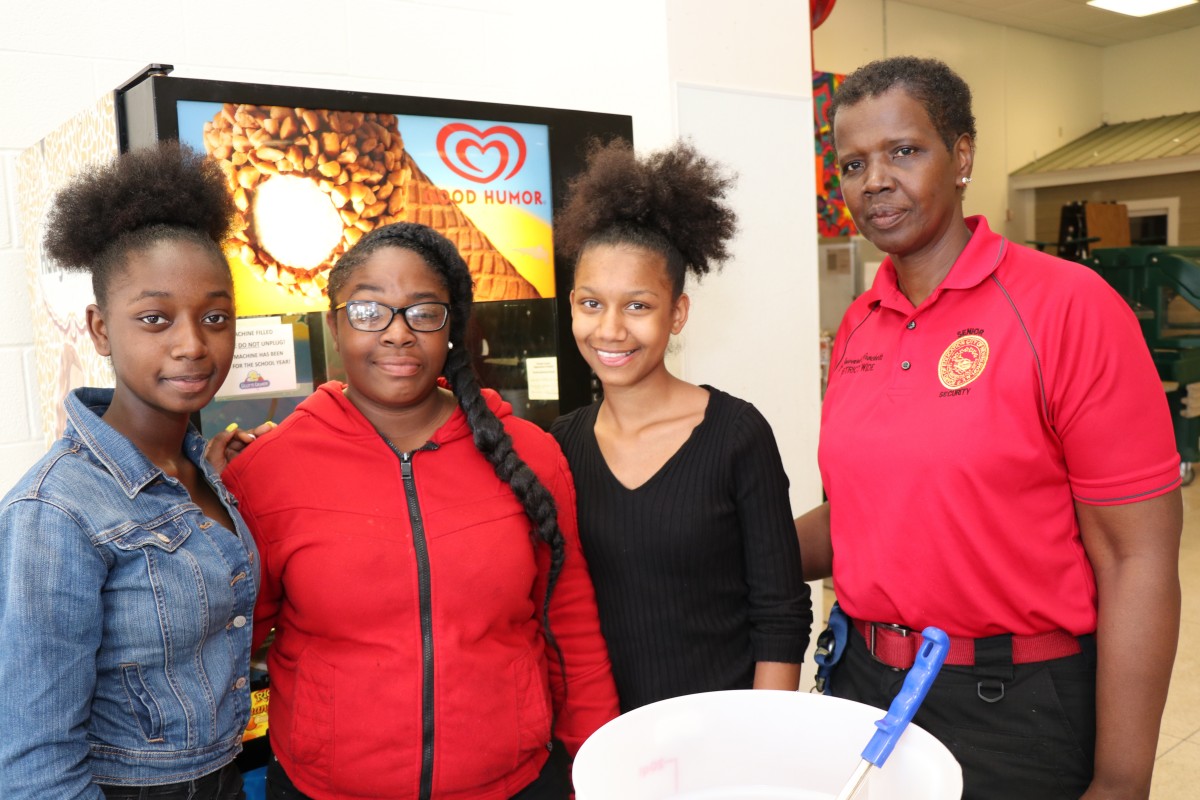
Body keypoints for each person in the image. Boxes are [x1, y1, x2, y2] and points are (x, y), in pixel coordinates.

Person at [796, 56, 1182, 800]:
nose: (875, 179)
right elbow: (870, 513)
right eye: (852, 163)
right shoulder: (858, 325)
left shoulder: (1068, 308)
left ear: (962, 155)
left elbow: (1138, 559)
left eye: (903, 151)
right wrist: (741, 547)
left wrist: (1122, 779)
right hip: (863, 686)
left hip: (1012, 704)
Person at [220, 221, 620, 800]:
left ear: (451, 326)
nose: (397, 334)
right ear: (334, 325)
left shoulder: (529, 454)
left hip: (514, 785)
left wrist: (598, 767)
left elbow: (570, 627)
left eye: (423, 312)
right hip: (326, 790)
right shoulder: (267, 471)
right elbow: (228, 635)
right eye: (368, 311)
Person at [0, 142, 258, 800]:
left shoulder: (200, 471)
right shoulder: (56, 510)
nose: (192, 344)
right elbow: (34, 759)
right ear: (100, 329)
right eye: (154, 318)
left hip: (223, 777)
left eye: (215, 317)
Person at [550, 139, 812, 712]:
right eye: (591, 304)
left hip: (722, 739)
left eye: (638, 306)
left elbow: (781, 611)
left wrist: (759, 740)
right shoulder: (557, 447)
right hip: (603, 740)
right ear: (571, 305)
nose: (611, 330)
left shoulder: (737, 434)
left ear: (678, 313)